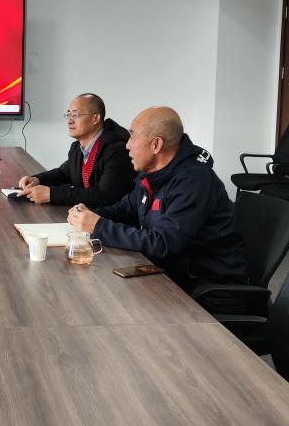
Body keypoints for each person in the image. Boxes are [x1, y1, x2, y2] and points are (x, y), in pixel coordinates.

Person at [67, 106, 247, 307]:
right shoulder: (153, 172)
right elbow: (127, 209)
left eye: (132, 137)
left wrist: (98, 225)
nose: (127, 145)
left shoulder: (194, 181)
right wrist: (89, 215)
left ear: (156, 145)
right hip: (169, 274)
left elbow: (163, 244)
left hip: (204, 289)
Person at [17, 93, 135, 208]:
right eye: (68, 115)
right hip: (86, 214)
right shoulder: (77, 147)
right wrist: (37, 179)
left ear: (95, 118)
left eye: (76, 115)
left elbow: (105, 195)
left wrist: (51, 194)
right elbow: (64, 173)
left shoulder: (117, 150)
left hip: (111, 219)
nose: (69, 121)